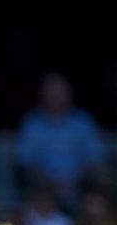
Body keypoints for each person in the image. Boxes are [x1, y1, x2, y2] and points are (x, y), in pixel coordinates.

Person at [16, 74, 105, 202]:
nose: (55, 96)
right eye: (51, 92)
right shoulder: (33, 124)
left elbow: (94, 158)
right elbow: (26, 162)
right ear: (43, 95)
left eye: (59, 92)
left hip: (80, 190)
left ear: (69, 94)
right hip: (43, 190)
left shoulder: (83, 122)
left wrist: (75, 183)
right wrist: (50, 184)